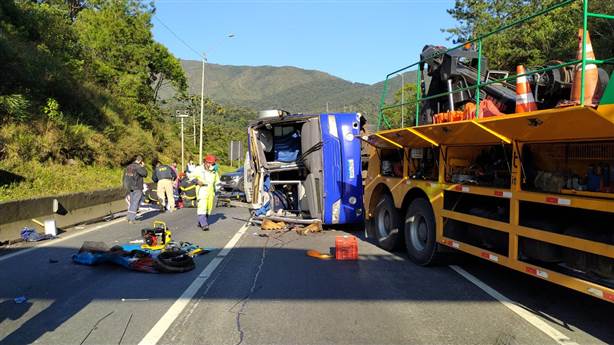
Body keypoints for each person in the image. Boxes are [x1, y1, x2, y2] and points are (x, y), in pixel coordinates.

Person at [193, 154, 219, 230]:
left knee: (208, 208)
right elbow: (191, 177)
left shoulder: (214, 171)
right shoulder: (198, 169)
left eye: (213, 164)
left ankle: (201, 221)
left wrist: (219, 189)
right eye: (212, 163)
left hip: (210, 192)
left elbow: (217, 182)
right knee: (202, 207)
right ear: (206, 162)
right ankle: (204, 224)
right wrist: (197, 181)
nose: (213, 165)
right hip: (202, 191)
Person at [123, 155, 147, 224]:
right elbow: (145, 174)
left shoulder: (128, 166)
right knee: (136, 202)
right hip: (137, 187)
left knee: (132, 202)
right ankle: (132, 219)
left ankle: (129, 217)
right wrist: (143, 167)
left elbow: (124, 177)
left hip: (129, 187)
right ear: (140, 161)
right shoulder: (138, 167)